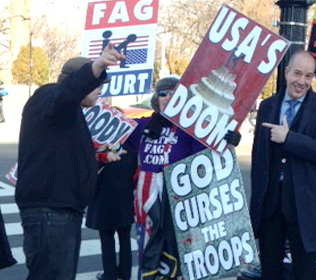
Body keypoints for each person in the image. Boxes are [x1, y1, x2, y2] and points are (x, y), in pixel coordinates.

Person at [15, 43, 125, 280]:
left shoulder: (67, 111)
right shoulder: (48, 96)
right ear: (76, 81)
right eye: (97, 85)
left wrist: (98, 156)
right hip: (50, 213)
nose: (99, 92)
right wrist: (97, 65)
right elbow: (66, 93)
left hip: (60, 211)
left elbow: (61, 155)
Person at [128, 76, 241, 279]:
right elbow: (113, 130)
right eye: (163, 93)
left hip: (178, 203)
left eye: (174, 92)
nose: (168, 97)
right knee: (147, 255)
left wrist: (228, 139)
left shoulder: (191, 129)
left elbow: (211, 153)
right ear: (156, 99)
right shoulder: (143, 125)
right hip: (146, 204)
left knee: (177, 257)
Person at [250, 50, 316, 280]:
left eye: (308, 76)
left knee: (307, 274)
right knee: (270, 272)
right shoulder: (267, 106)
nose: (302, 82)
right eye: (297, 74)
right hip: (271, 207)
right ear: (286, 73)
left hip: (307, 210)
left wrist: (289, 139)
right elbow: (258, 159)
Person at [86, 134, 137, 280]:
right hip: (125, 201)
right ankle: (125, 273)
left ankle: (109, 274)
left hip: (103, 202)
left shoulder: (99, 153)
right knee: (125, 239)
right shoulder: (130, 152)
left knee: (107, 240)